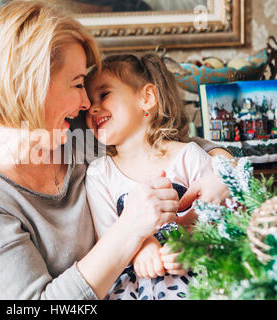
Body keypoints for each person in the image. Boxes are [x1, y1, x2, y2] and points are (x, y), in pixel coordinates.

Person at [0, 0, 233, 300]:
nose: (87, 104)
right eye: (77, 85)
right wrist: (130, 231)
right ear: (31, 86)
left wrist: (221, 169)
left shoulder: (71, 139)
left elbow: (159, 145)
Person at [84, 52, 230, 300]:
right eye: (88, 103)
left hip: (199, 281)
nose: (92, 108)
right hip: (134, 287)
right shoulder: (100, 173)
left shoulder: (188, 156)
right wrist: (142, 248)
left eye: (104, 94)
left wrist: (190, 249)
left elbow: (223, 218)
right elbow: (108, 238)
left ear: (147, 98)